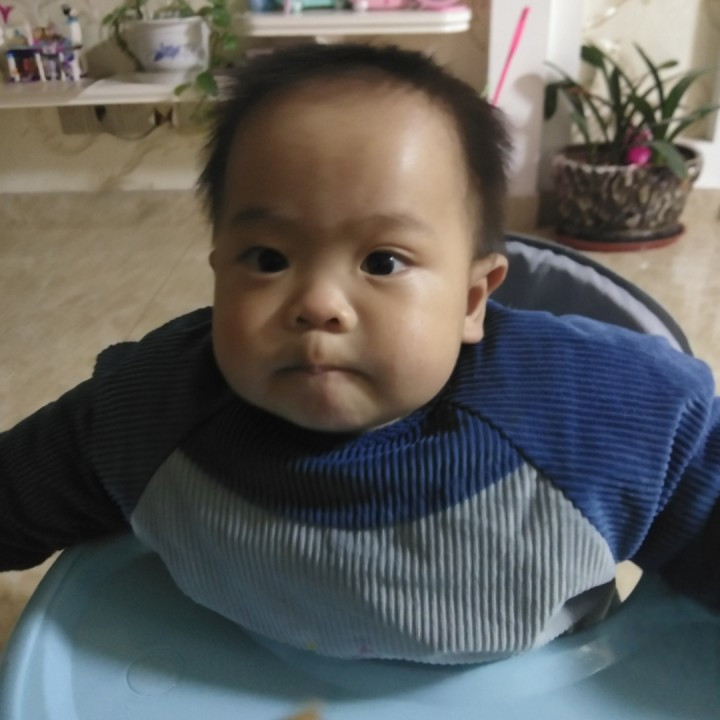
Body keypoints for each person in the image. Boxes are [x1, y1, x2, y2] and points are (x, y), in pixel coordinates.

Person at [1, 43, 719, 665]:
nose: (318, 303)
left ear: (473, 300)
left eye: (382, 261)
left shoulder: (591, 421)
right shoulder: (150, 409)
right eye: (268, 258)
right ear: (218, 273)